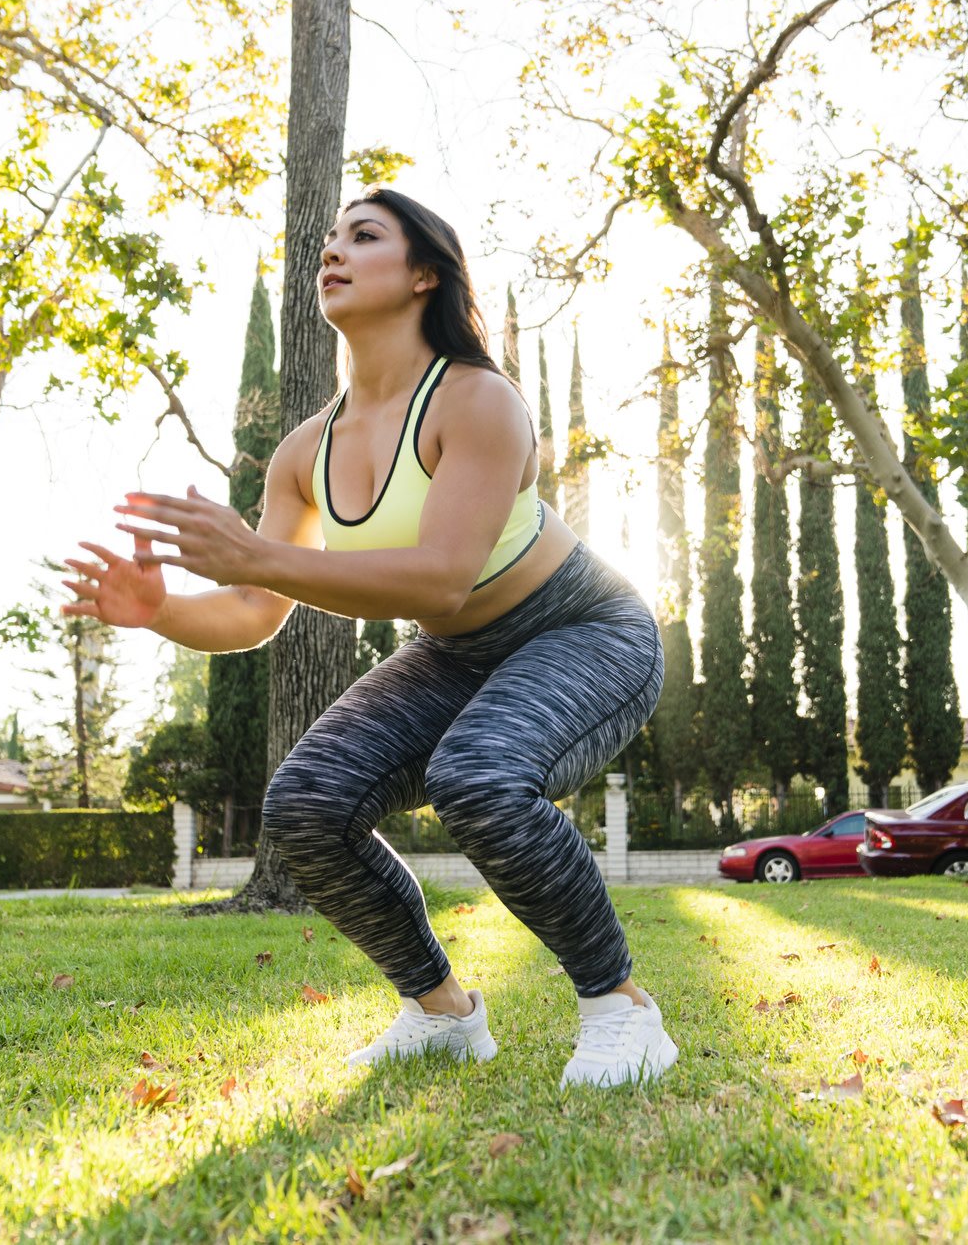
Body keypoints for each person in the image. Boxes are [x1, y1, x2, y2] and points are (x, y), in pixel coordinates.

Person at [61, 189, 675, 1088]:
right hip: (454, 653)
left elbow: (438, 577)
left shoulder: (476, 402)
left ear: (424, 272)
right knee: (305, 808)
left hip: (583, 632)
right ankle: (441, 1014)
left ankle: (619, 1008)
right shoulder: (305, 450)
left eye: (363, 237)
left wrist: (258, 555)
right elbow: (252, 612)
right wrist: (160, 611)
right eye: (326, 242)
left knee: (481, 776)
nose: (332, 253)